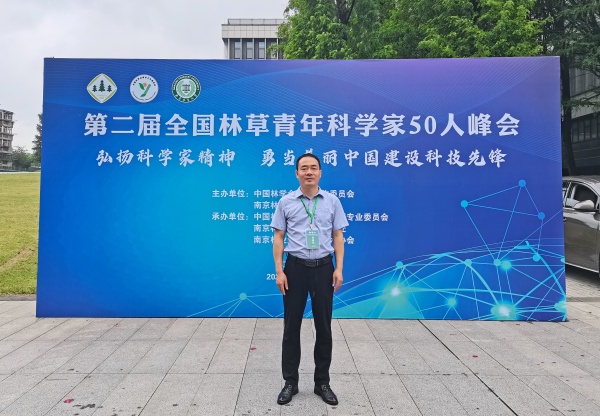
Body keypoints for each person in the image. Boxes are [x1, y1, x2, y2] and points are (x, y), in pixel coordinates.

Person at [270, 153, 349, 406]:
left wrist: (339, 268)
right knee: (291, 328)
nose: (309, 172)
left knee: (324, 327)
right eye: (304, 168)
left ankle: (322, 382)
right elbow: (278, 238)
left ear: (320, 172)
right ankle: (290, 382)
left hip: (324, 268)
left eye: (313, 168)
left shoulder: (332, 201)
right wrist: (279, 271)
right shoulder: (286, 202)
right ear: (296, 173)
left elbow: (338, 236)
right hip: (295, 268)